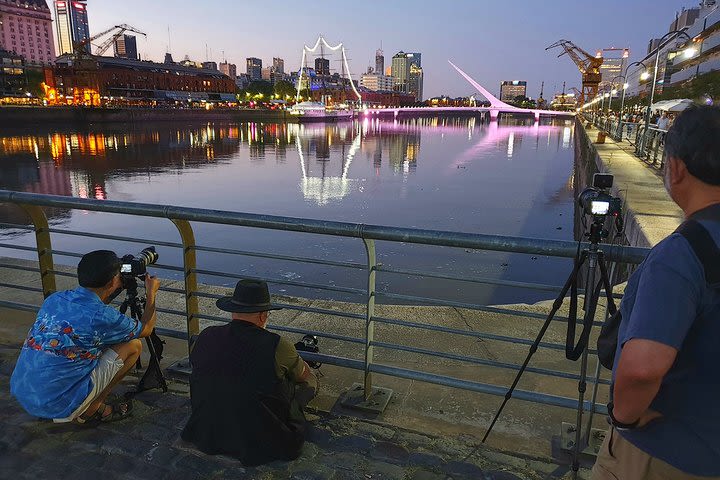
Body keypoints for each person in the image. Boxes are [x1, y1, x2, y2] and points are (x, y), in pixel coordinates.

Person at [592, 106, 720, 479]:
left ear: (676, 168)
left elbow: (643, 368)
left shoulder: (682, 256)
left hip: (669, 454)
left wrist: (623, 419)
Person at [10, 250, 161, 424]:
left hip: (24, 393)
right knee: (133, 345)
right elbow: (147, 328)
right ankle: (93, 408)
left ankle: (76, 398)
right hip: (59, 405)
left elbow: (91, 314)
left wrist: (112, 288)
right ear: (113, 280)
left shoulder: (55, 299)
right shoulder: (102, 317)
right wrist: (152, 293)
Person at [181, 279, 318, 466]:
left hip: (208, 431)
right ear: (263, 317)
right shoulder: (277, 344)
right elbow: (302, 375)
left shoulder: (207, 335)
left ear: (232, 311)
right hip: (258, 440)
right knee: (308, 382)